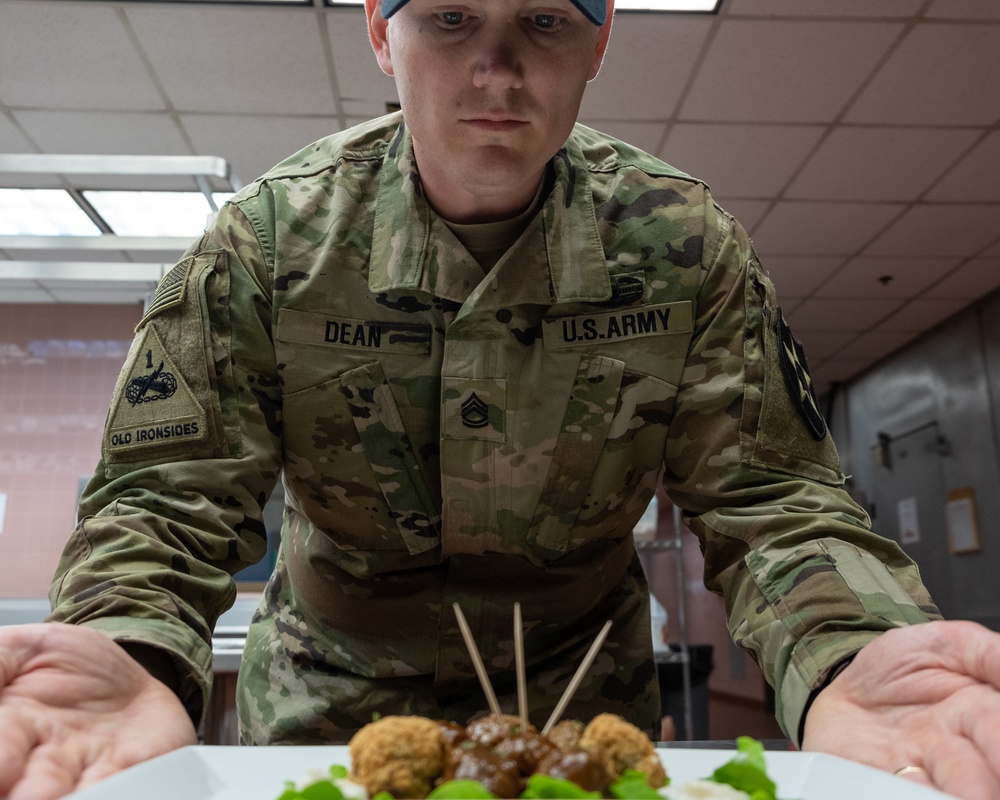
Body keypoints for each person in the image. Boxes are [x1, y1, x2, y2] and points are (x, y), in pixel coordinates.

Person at [1, 0, 999, 797]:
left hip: (575, 707)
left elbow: (773, 499)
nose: (497, 67)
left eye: (543, 22)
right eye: (449, 20)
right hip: (327, 707)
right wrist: (121, 644)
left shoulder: (680, 245)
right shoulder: (271, 245)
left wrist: (857, 648)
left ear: (599, 39)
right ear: (379, 34)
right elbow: (162, 501)